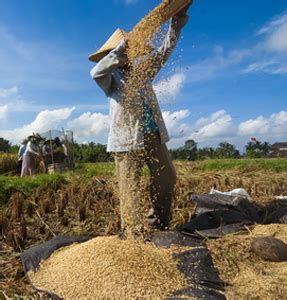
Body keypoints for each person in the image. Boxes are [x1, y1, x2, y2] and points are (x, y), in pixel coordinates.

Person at [90, 6, 190, 238]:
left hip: (153, 136)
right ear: (116, 53)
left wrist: (176, 24)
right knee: (130, 189)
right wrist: (121, 50)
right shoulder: (110, 77)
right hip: (126, 142)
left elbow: (164, 52)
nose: (133, 55)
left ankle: (158, 224)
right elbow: (95, 72)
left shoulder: (143, 72)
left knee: (167, 178)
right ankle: (133, 235)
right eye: (128, 51)